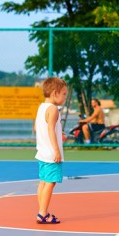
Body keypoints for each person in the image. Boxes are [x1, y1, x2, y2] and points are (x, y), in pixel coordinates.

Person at [35, 76, 68, 224]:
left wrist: (58, 134)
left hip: (42, 152)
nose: (65, 97)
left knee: (43, 182)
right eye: (64, 94)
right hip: (50, 154)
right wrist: (56, 150)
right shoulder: (53, 109)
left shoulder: (41, 107)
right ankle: (42, 213)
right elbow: (49, 129)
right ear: (55, 93)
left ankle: (43, 211)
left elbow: (38, 128)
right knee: (50, 183)